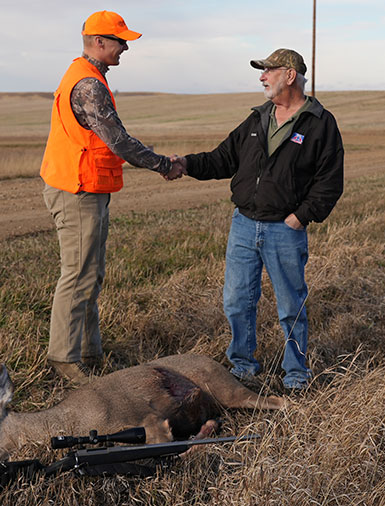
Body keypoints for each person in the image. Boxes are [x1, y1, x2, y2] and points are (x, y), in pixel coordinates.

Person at [167, 49, 343, 391]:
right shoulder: (257, 118)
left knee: (290, 305)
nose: (262, 77)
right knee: (236, 300)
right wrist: (185, 164)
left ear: (289, 75)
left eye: (268, 71)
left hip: (284, 229)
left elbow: (330, 180)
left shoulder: (320, 123)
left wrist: (301, 216)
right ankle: (243, 367)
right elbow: (222, 158)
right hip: (244, 225)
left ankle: (296, 374)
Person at [40, 10, 175, 384]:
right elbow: (117, 140)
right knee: (79, 275)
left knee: (91, 274)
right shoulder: (88, 85)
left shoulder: (86, 76)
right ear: (99, 41)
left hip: (84, 188)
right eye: (120, 41)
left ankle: (90, 353)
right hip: (77, 191)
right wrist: (163, 163)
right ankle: (65, 361)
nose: (125, 48)